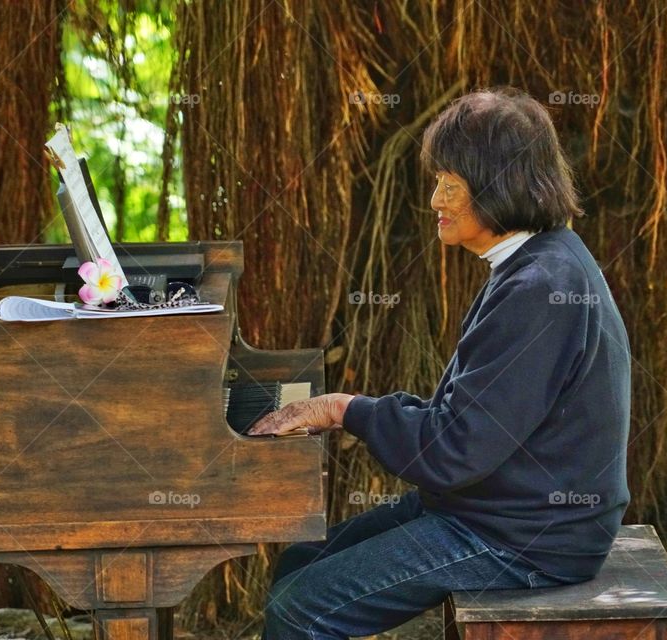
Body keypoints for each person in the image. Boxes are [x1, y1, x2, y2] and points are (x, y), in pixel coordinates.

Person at [247, 86, 632, 639]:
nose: (435, 201)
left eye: (449, 185)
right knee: (300, 565)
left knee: (301, 608)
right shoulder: (538, 263)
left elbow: (454, 451)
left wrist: (341, 409)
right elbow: (471, 426)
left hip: (527, 537)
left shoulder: (540, 286)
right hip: (496, 508)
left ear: (500, 187)